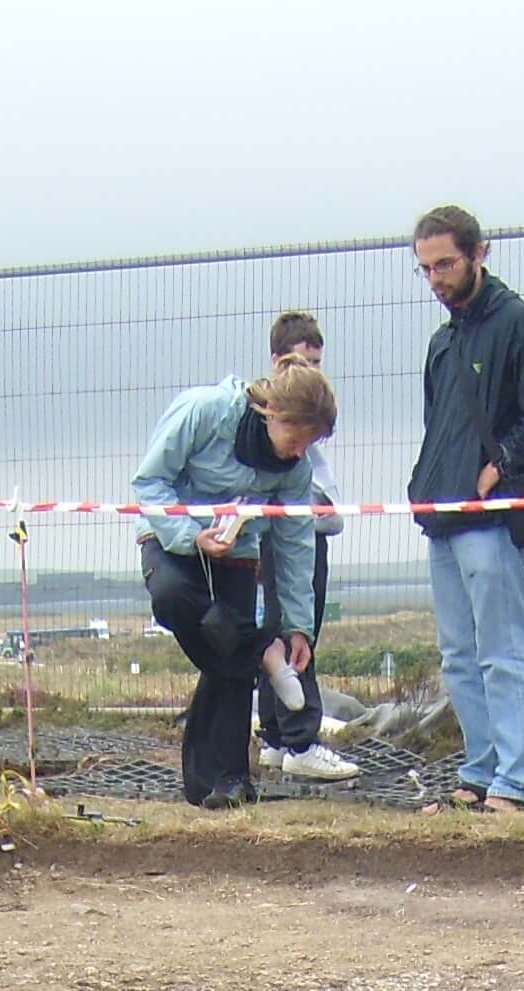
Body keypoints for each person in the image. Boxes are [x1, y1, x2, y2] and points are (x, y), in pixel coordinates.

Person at [408, 206, 524, 812]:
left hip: (488, 515)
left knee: (503, 649)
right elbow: (437, 423)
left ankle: (519, 778)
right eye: (425, 268)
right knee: (458, 654)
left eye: (445, 263)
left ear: (479, 253)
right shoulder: (442, 341)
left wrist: (498, 467)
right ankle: (481, 768)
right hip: (441, 512)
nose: (436, 278)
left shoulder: (520, 324)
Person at [132, 362, 336, 805]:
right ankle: (262, 648)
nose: (300, 454)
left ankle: (226, 782)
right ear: (273, 414)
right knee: (170, 600)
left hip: (238, 553)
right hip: (172, 538)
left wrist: (298, 627)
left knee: (225, 647)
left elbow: (295, 542)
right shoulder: (203, 412)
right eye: (297, 440)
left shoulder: (295, 470)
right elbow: (149, 481)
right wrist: (191, 536)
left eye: (310, 445)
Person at [254, 312, 355, 785]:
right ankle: (299, 740)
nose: (311, 372)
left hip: (297, 539)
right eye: (301, 362)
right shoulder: (276, 429)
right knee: (290, 635)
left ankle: (275, 738)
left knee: (282, 632)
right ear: (278, 363)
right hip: (281, 543)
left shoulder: (309, 431)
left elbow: (329, 511)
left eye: (317, 363)